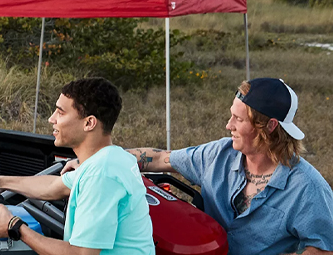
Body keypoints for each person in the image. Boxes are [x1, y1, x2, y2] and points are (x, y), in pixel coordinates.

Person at [63, 77, 333, 255]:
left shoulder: (308, 188)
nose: (229, 126)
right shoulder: (219, 154)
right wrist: (94, 161)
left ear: (269, 127)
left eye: (238, 120)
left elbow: (322, 248)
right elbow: (159, 158)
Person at [0, 77, 154, 255]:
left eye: (61, 112)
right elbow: (52, 187)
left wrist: (14, 226)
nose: (51, 119)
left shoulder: (101, 174)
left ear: (89, 123)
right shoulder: (110, 157)